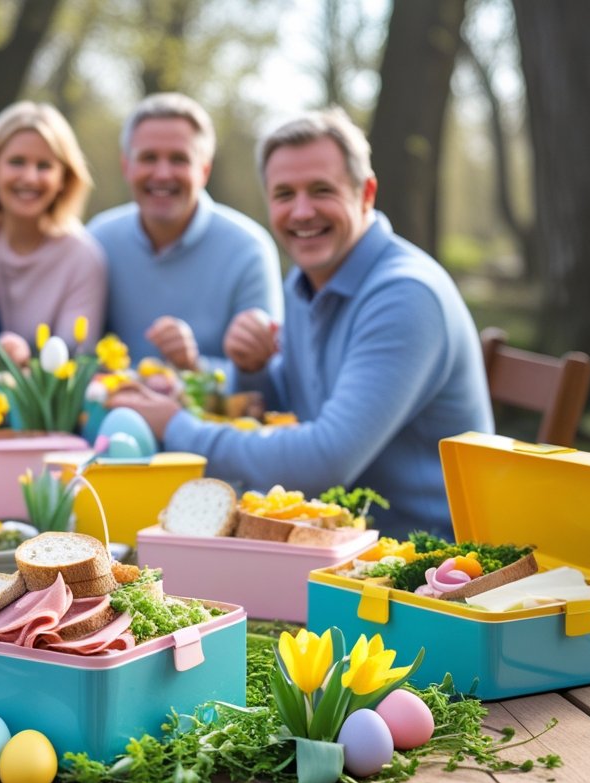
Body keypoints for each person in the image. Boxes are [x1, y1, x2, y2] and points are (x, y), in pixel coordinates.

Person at [109, 108, 493, 538]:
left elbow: (323, 461)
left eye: (322, 190)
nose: (302, 212)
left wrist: (176, 426)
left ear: (366, 193)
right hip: (333, 535)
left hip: (425, 562)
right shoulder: (305, 282)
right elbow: (289, 410)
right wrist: (253, 371)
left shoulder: (405, 296)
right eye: (284, 194)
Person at [87, 92, 281, 371]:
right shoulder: (98, 240)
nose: (163, 174)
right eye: (149, 158)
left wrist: (194, 365)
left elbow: (269, 375)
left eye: (179, 159)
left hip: (208, 414)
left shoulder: (249, 250)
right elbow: (79, 357)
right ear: (126, 167)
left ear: (204, 169)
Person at [0, 101, 106, 348]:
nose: (29, 178)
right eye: (16, 162)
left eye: (44, 166)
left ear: (64, 179)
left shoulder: (83, 257)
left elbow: (74, 358)